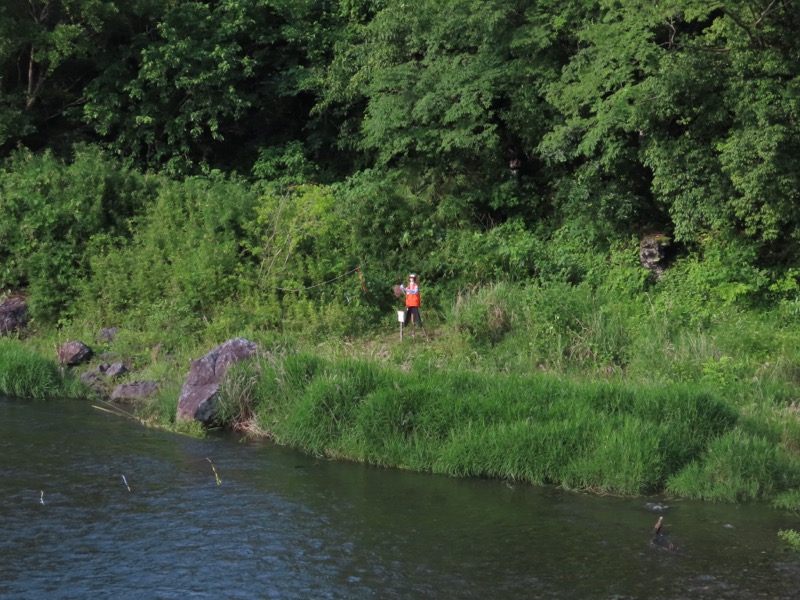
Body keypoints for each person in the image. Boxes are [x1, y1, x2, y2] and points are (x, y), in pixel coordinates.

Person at [400, 273, 428, 340]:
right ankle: (403, 330)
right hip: (409, 305)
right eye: (410, 278)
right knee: (407, 318)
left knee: (418, 319)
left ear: (414, 279)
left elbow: (415, 292)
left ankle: (424, 333)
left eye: (412, 278)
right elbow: (405, 292)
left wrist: (406, 289)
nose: (411, 279)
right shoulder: (409, 286)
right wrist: (402, 288)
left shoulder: (416, 286)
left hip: (414, 304)